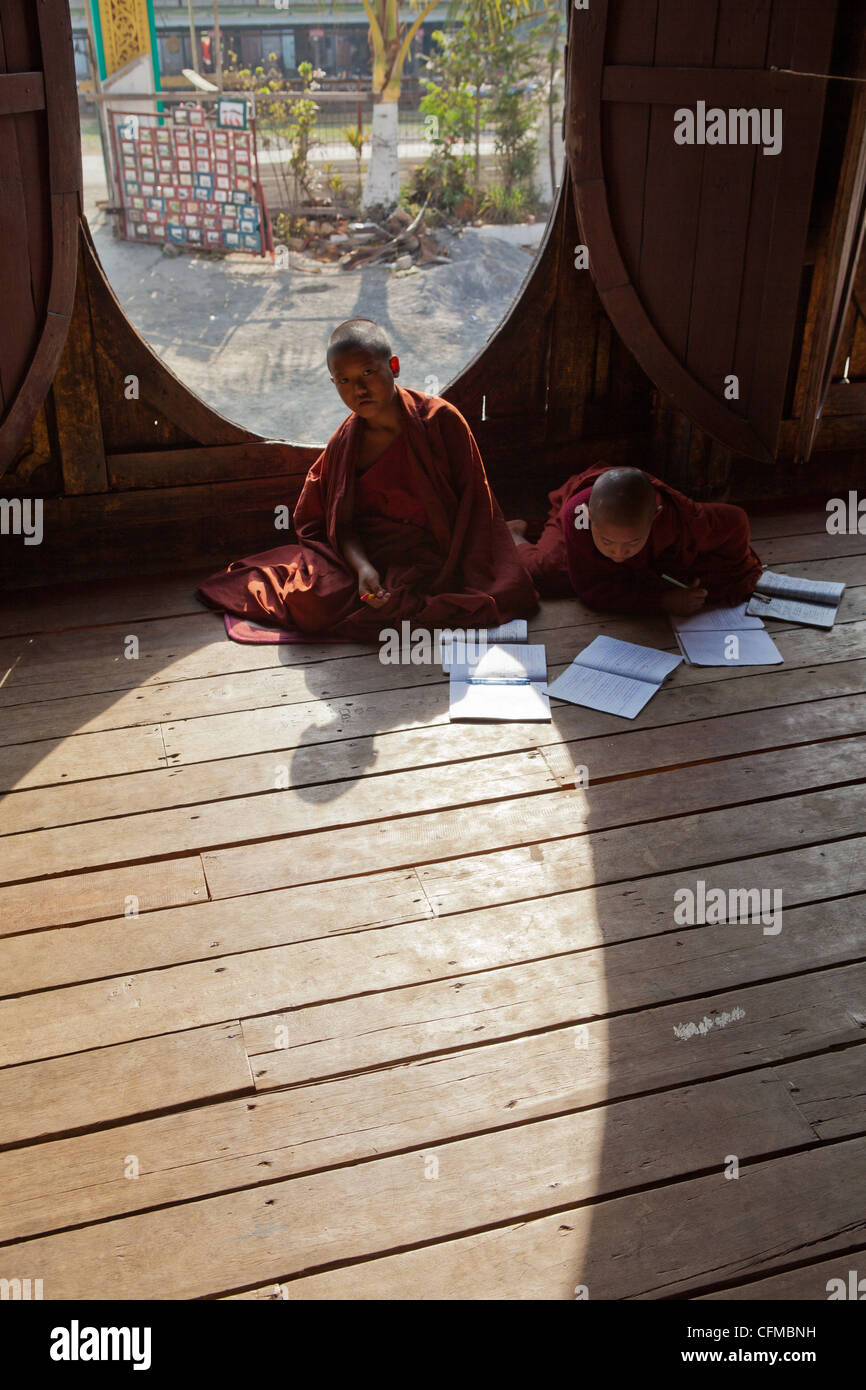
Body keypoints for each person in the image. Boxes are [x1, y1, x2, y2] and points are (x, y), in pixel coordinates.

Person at [197, 318, 537, 638]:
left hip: (440, 553)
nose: (358, 389)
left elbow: (475, 508)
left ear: (394, 367)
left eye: (368, 372)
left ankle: (504, 542)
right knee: (311, 599)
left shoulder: (440, 421)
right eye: (344, 381)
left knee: (490, 597)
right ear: (333, 384)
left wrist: (452, 569)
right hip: (372, 555)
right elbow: (339, 525)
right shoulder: (347, 442)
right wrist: (363, 569)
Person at [509, 464, 762, 615]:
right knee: (546, 572)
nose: (618, 554)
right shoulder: (579, 515)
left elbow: (735, 520)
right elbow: (591, 590)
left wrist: (704, 583)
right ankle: (515, 533)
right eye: (608, 542)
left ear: (656, 518)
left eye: (631, 543)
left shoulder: (675, 516)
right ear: (588, 519)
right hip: (578, 508)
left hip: (624, 502)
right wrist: (662, 601)